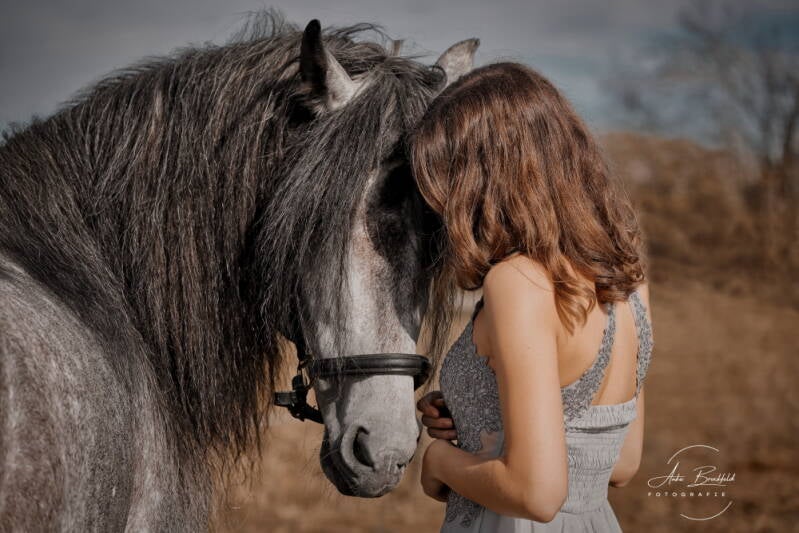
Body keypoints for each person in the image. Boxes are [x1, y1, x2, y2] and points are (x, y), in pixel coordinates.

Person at [410, 62, 654, 532]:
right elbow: (620, 462)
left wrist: (439, 460)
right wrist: (473, 414)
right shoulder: (625, 271)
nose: (443, 208)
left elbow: (537, 493)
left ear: (487, 178)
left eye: (450, 182)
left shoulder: (517, 281)